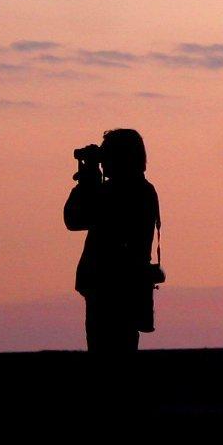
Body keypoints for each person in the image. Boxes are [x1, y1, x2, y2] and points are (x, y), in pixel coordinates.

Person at [64, 128, 161, 355]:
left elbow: (77, 218)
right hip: (117, 288)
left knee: (109, 355)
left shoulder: (129, 192)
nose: (103, 160)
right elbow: (75, 219)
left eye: (107, 154)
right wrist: (89, 183)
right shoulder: (142, 191)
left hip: (112, 288)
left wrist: (88, 183)